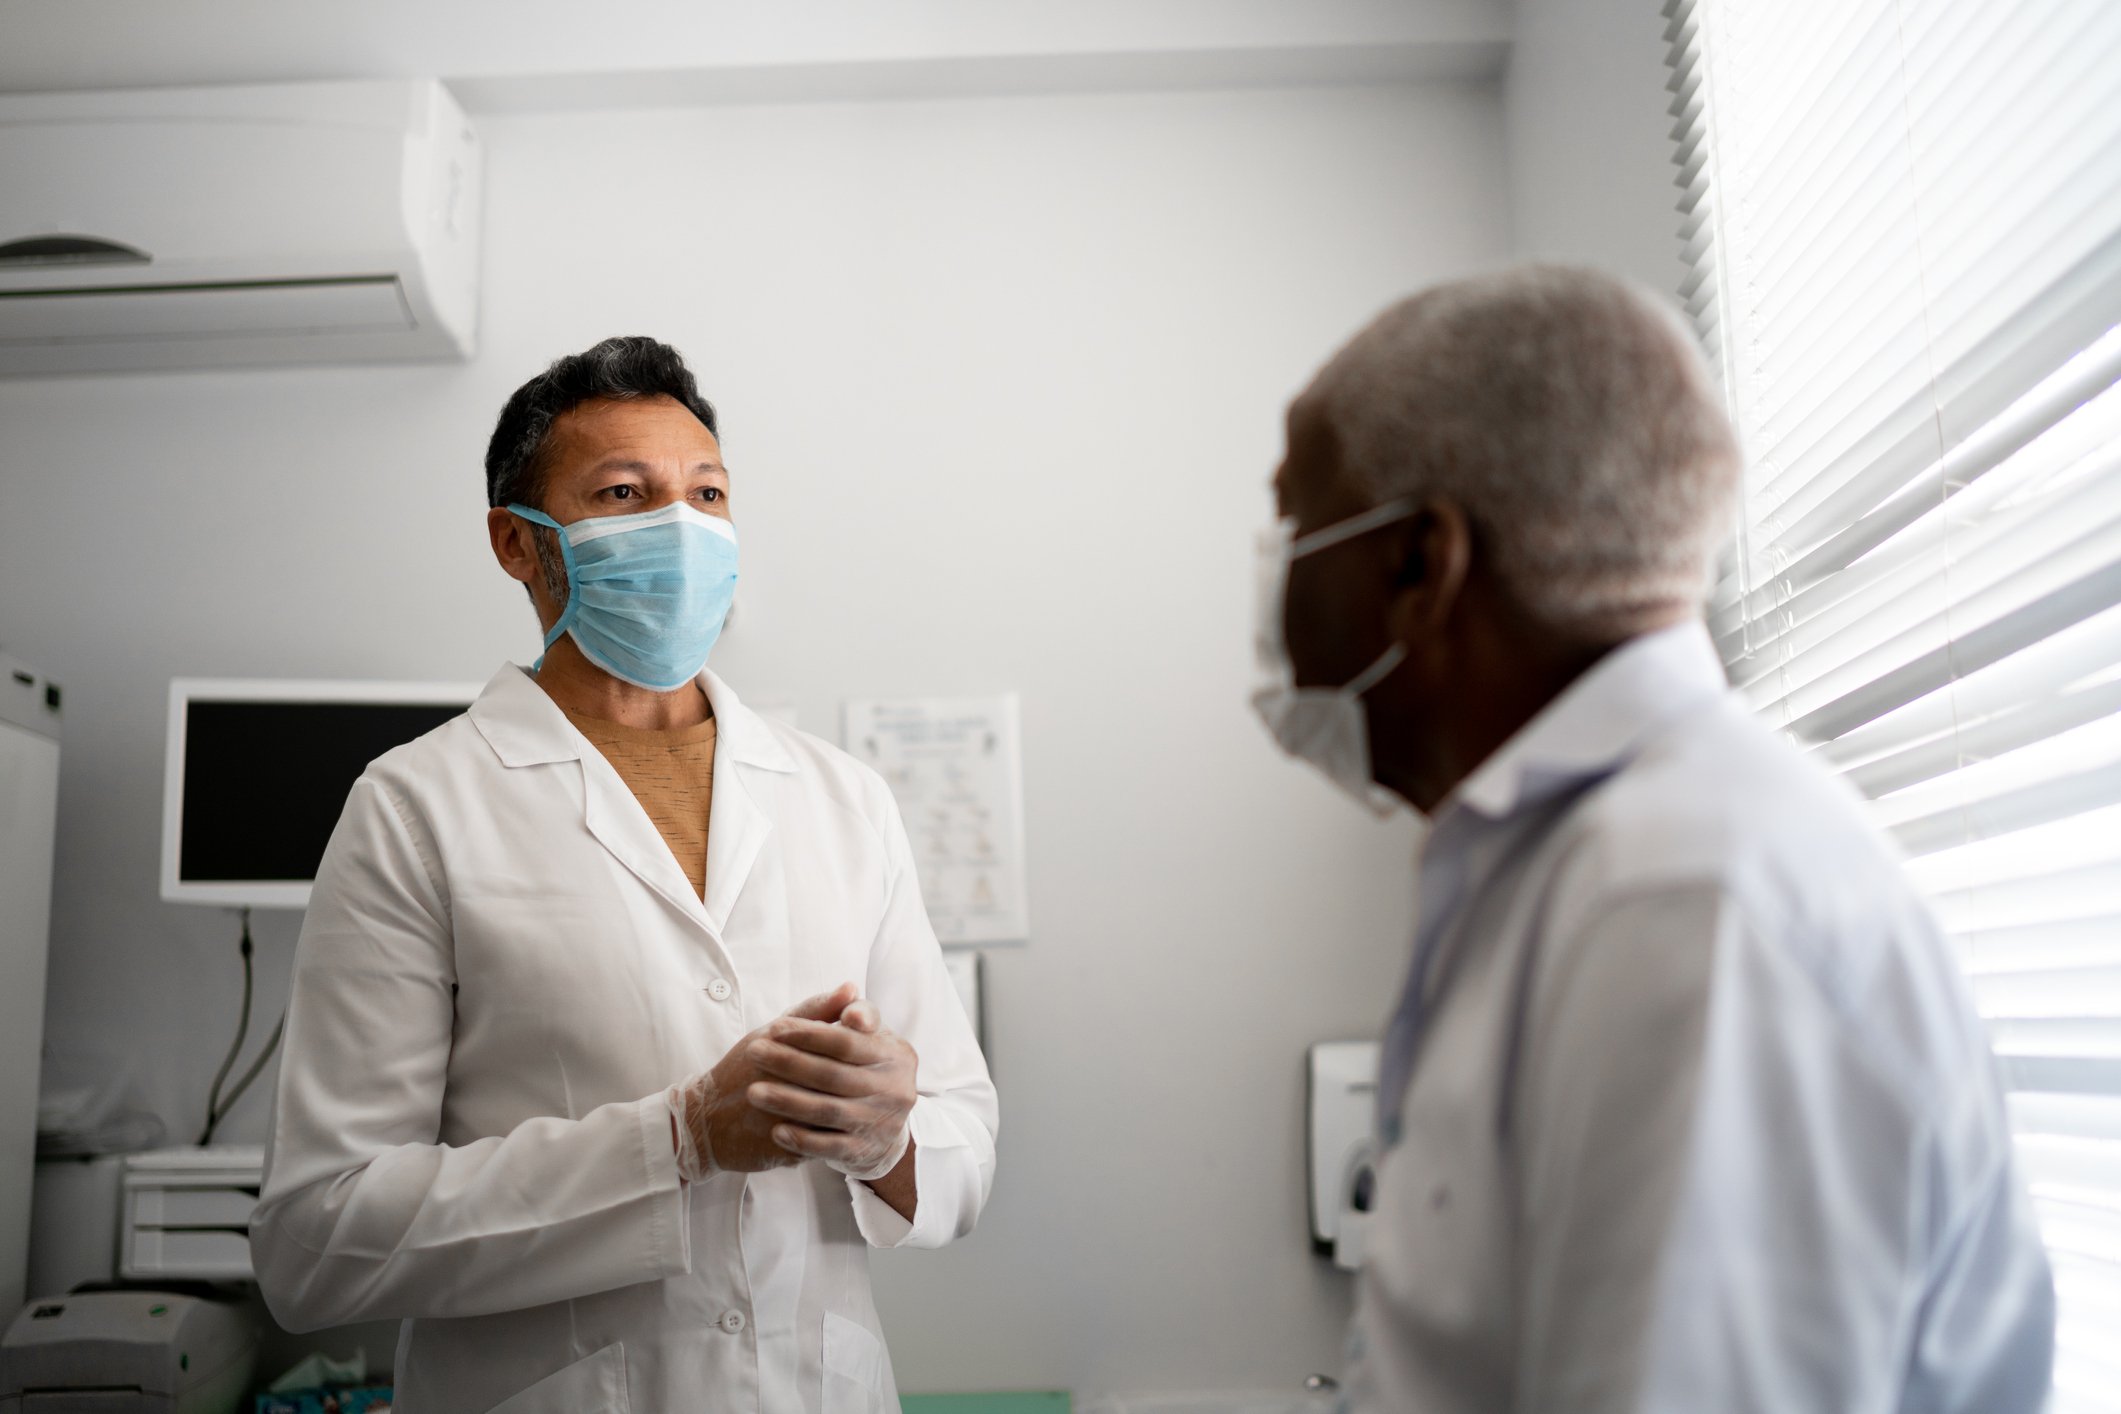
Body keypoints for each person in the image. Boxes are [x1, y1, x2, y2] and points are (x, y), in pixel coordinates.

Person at [1254, 267, 2054, 1412]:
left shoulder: (1685, 899)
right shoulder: (1573, 864)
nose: (1275, 589)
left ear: (1421, 564)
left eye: (1296, 525)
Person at [251, 336, 998, 1412]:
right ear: (519, 543)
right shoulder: (415, 808)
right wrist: (681, 1138)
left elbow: (963, 1134)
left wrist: (889, 1139)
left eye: (707, 494)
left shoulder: (843, 799)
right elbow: (321, 1240)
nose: (681, 530)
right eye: (623, 493)